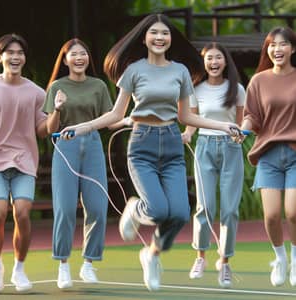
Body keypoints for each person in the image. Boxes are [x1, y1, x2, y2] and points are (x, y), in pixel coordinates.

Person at [60, 14, 241, 291]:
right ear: (144, 38)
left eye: (165, 34)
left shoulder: (180, 71)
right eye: (154, 33)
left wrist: (224, 125)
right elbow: (115, 114)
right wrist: (81, 127)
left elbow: (187, 117)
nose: (159, 38)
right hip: (142, 144)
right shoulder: (133, 70)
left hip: (171, 143)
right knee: (157, 209)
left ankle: (152, 254)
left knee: (180, 213)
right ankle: (135, 209)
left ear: (170, 40)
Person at [43, 38, 113, 289]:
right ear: (65, 60)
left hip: (92, 144)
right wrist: (58, 109)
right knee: (64, 208)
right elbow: (50, 129)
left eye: (83, 53)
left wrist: (129, 120)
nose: (79, 57)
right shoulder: (57, 86)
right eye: (73, 54)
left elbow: (109, 119)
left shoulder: (99, 86)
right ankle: (63, 265)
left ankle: (88, 263)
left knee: (97, 207)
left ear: (88, 58)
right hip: (65, 145)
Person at [181, 42, 245, 288]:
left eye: (218, 58)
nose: (214, 62)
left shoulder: (237, 89)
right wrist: (187, 133)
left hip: (231, 149)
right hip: (204, 147)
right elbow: (192, 120)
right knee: (204, 206)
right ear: (204, 62)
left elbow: (240, 124)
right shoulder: (196, 89)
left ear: (225, 61)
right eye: (209, 58)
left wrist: (240, 135)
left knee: (229, 209)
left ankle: (225, 262)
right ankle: (200, 257)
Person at [240, 27, 296, 287]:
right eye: (273, 45)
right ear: (268, 50)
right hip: (268, 154)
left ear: (292, 49)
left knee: (293, 212)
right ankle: (280, 258)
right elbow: (252, 115)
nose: (277, 49)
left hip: (295, 153)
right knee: (272, 215)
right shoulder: (258, 81)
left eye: (283, 44)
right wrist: (243, 130)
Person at [0, 33, 48, 292]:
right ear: (0, 57)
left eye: (20, 53)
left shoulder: (37, 93)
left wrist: (57, 111)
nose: (15, 57)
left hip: (25, 162)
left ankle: (19, 269)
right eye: (10, 52)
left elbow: (42, 130)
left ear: (24, 58)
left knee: (22, 214)